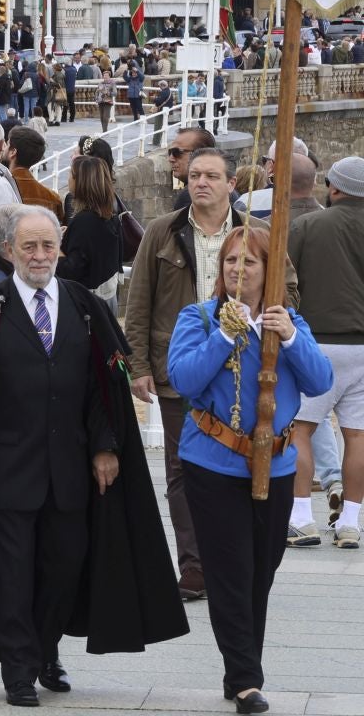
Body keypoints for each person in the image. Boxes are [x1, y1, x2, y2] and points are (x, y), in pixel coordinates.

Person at [0, 205, 184, 706]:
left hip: (71, 471)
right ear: (9, 250)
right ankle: (19, 668)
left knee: (64, 567)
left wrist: (107, 446)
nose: (39, 256)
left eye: (47, 246)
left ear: (60, 247)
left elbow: (105, 389)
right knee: (13, 573)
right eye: (28, 247)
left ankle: (44, 647)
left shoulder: (86, 306)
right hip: (6, 473)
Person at [168, 225, 333, 715]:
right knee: (230, 570)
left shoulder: (290, 321)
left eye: (250, 262)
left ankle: (240, 667)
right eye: (230, 261)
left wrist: (287, 337)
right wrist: (225, 335)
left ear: (270, 271)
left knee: (262, 569)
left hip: (276, 463)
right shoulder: (198, 317)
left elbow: (320, 380)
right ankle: (246, 678)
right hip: (213, 462)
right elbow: (184, 378)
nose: (238, 270)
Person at [125, 145, 244, 597]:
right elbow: (138, 304)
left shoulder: (254, 233)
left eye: (211, 176)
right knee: (183, 468)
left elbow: (287, 294)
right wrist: (138, 366)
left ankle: (230, 559)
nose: (200, 183)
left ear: (231, 184)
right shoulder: (163, 232)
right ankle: (194, 566)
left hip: (241, 370)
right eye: (195, 175)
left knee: (237, 461)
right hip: (180, 369)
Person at [286, 155, 364, 549]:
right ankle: (350, 522)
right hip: (363, 348)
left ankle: (302, 518)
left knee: (301, 429)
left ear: (334, 188)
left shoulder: (306, 225)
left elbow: (287, 285)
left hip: (317, 342)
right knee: (357, 436)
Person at [57, 155, 125, 302]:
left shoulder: (84, 220)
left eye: (71, 174)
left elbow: (70, 271)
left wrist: (55, 245)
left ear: (81, 181)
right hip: (107, 296)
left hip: (88, 302)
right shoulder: (109, 214)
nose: (68, 178)